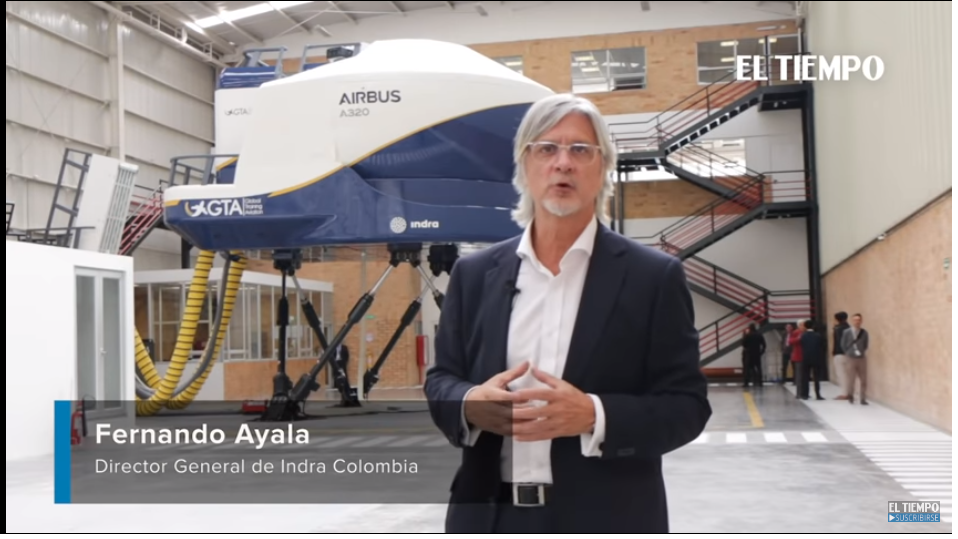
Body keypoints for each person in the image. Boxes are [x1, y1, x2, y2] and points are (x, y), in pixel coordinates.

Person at [423, 93, 712, 533]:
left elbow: (687, 406)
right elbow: (442, 379)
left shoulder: (652, 277)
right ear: (525, 165)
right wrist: (468, 404)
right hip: (489, 518)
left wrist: (595, 415)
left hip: (607, 520)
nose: (563, 163)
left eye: (580, 149)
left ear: (603, 167)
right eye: (546, 149)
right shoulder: (475, 274)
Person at [840, 313, 869, 405]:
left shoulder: (864, 332)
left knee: (863, 379)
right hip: (850, 358)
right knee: (851, 379)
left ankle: (863, 398)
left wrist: (861, 351)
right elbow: (843, 344)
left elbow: (865, 345)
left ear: (861, 321)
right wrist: (848, 352)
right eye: (855, 320)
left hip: (861, 358)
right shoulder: (847, 332)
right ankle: (851, 396)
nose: (857, 322)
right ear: (852, 321)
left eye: (859, 320)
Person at [798, 320, 827, 400]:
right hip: (816, 358)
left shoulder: (803, 336)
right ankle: (818, 394)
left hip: (806, 358)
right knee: (816, 377)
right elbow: (823, 346)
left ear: (805, 326)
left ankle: (805, 394)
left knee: (805, 377)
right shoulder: (818, 335)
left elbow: (802, 345)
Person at [831, 312, 851, 399]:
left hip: (839, 353)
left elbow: (839, 341)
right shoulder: (849, 328)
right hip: (849, 354)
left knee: (841, 375)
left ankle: (844, 394)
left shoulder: (838, 329)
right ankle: (850, 392)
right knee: (848, 374)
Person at [741, 324, 766, 388]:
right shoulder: (759, 335)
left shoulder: (748, 335)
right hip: (757, 354)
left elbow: (743, 344)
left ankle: (746, 383)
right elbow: (764, 345)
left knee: (747, 369)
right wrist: (761, 352)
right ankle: (760, 382)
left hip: (749, 354)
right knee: (758, 368)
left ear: (750, 328)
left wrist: (745, 335)